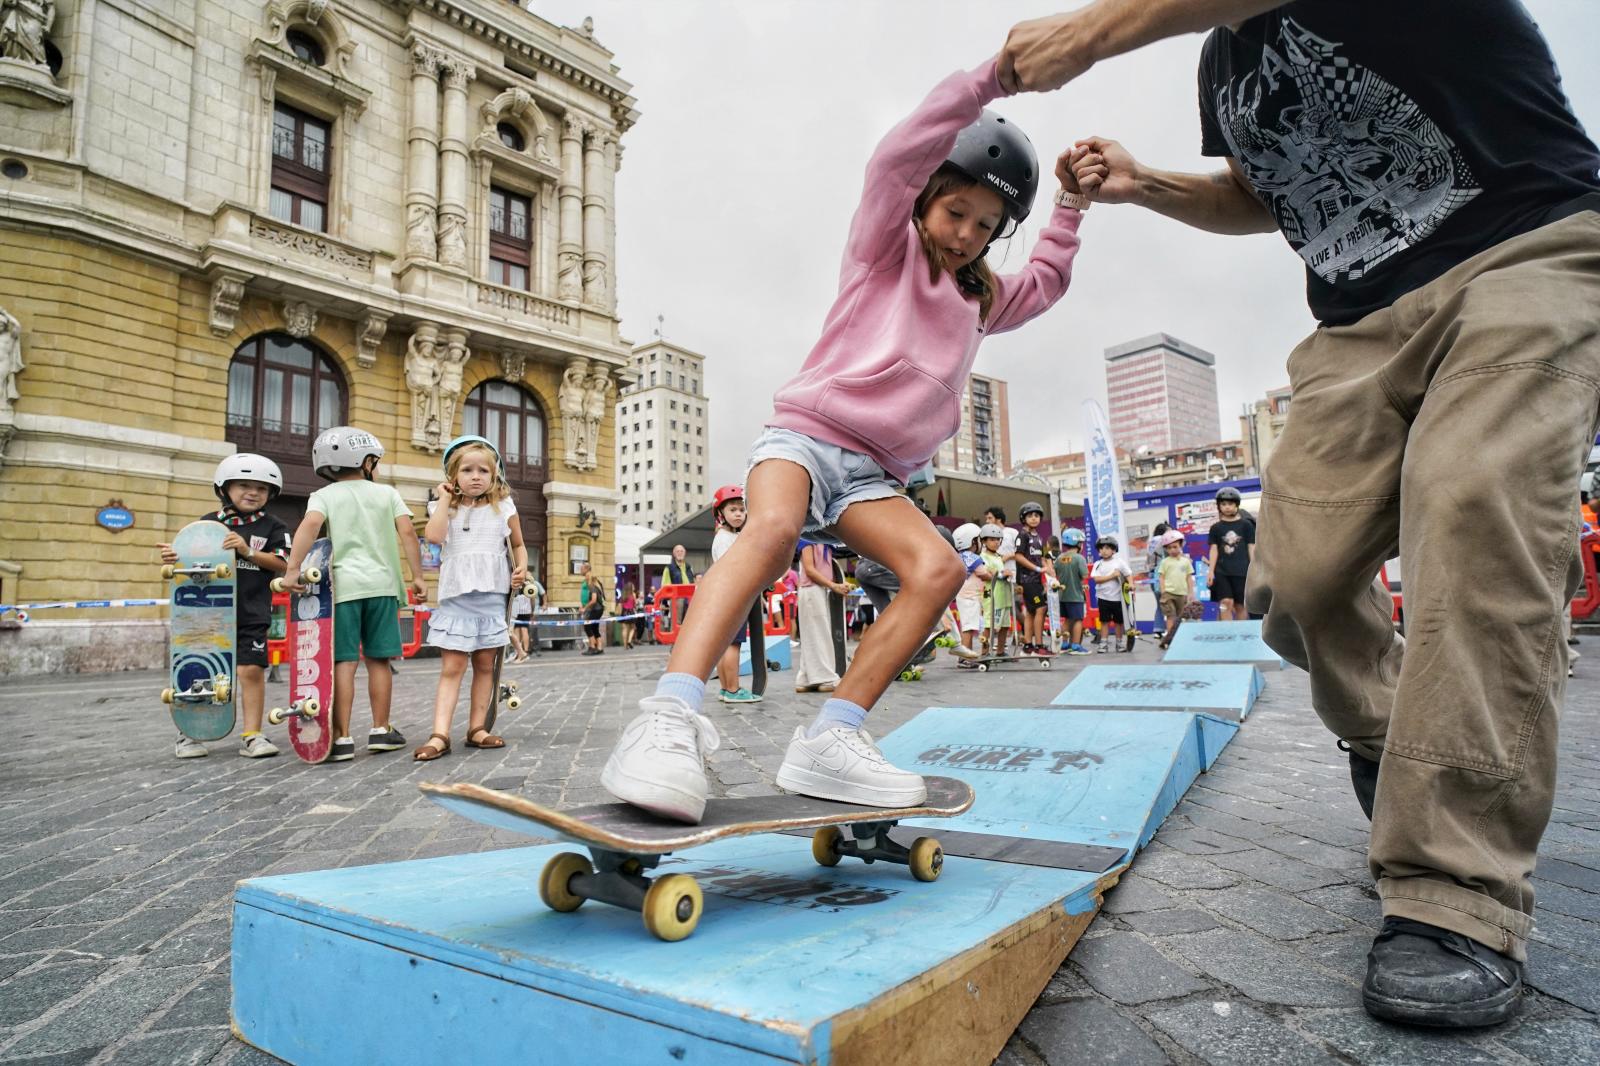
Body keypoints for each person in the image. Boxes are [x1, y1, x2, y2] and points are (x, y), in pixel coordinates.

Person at [1011, 0, 1600, 1026]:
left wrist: (1093, 34)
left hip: (1526, 249)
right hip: (1356, 320)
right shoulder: (1220, 57)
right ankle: (1395, 740)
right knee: (1294, 579)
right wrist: (1143, 182)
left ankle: (1453, 891)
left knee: (1469, 511)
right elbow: (1258, 190)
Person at [600, 51, 1086, 823]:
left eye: (986, 227)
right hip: (805, 436)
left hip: (875, 479)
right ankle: (667, 715)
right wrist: (993, 79)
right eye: (954, 212)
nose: (965, 234)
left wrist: (1069, 209)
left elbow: (1048, 283)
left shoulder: (980, 297)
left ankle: (834, 736)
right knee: (774, 529)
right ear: (926, 199)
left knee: (936, 569)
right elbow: (897, 157)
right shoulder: (883, 247)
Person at [282, 428, 426, 762]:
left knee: (343, 663)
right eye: (375, 462)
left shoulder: (324, 496)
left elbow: (309, 526)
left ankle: (342, 737)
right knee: (379, 660)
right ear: (364, 461)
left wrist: (292, 569)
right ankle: (381, 729)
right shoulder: (387, 494)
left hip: (343, 590)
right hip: (383, 587)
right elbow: (407, 532)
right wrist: (417, 577)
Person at [158, 454, 290, 759]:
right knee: (198, 669)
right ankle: (189, 733)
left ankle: (252, 735)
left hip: (252, 611)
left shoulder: (274, 527)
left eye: (261, 488)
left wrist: (247, 551)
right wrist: (173, 557)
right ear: (225, 488)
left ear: (271, 494)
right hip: (207, 612)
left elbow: (283, 563)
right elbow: (189, 561)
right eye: (244, 485)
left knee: (251, 670)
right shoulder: (208, 524)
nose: (252, 492)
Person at [412, 436, 526, 761]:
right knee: (453, 666)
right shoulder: (443, 509)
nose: (476, 476)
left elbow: (518, 544)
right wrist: (444, 500)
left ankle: (477, 728)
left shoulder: (503, 507)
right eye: (467, 470)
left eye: (483, 471)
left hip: (491, 597)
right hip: (457, 597)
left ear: (494, 476)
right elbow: (433, 538)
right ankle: (439, 734)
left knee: (485, 664)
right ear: (453, 476)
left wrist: (521, 568)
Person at [709, 485, 761, 704]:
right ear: (721, 514)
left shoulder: (727, 536)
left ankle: (724, 688)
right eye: (733, 510)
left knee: (725, 644)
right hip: (733, 597)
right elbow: (732, 570)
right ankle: (733, 689)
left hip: (726, 597)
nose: (738, 513)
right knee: (733, 644)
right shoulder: (725, 539)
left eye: (742, 509)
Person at [792, 540, 845, 694]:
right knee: (819, 634)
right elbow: (809, 569)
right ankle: (825, 676)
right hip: (811, 589)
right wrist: (833, 585)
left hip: (817, 589)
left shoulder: (823, 540)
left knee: (813, 634)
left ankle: (806, 677)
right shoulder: (808, 538)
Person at [1206, 487, 1254, 621]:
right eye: (1223, 504)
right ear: (1219, 506)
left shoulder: (1246, 526)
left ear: (1237, 505)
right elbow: (1214, 549)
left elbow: (1251, 547)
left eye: (1230, 504)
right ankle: (1227, 634)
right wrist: (1210, 571)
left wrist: (1255, 568)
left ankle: (1241, 636)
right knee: (1225, 603)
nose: (1227, 507)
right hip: (1222, 571)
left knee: (1241, 605)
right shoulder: (1215, 528)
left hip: (1242, 571)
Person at [950, 522, 990, 666]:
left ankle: (967, 655)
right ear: (973, 541)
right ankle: (965, 657)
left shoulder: (958, 556)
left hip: (962, 596)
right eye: (979, 540)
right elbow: (983, 574)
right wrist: (995, 575)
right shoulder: (973, 558)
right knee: (969, 627)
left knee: (969, 625)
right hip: (971, 597)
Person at [1014, 502, 1049, 653]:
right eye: (1030, 516)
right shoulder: (1022, 535)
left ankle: (1028, 645)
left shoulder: (1039, 537)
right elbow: (1018, 556)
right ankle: (1039, 646)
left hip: (1037, 580)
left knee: (1031, 611)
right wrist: (1037, 568)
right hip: (1027, 580)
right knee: (1041, 608)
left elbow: (1040, 558)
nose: (1034, 518)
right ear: (1023, 518)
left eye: (1036, 515)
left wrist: (1049, 573)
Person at [1089, 535, 1132, 653]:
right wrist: (1112, 576)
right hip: (1103, 598)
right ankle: (1103, 643)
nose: (1104, 550)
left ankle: (1119, 643)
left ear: (1113, 550)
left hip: (1118, 599)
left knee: (1119, 622)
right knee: (1104, 622)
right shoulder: (1098, 564)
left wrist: (1131, 584)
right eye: (1101, 548)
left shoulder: (1119, 562)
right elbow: (1097, 579)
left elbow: (1128, 574)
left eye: (1108, 548)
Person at [1155, 530, 1196, 650]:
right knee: (1170, 616)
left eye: (1175, 546)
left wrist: (1190, 592)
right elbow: (1161, 577)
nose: (1172, 550)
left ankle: (1181, 638)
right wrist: (1163, 591)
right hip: (1168, 593)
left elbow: (1189, 577)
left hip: (1182, 593)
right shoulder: (1165, 562)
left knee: (1181, 616)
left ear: (1181, 545)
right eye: (1168, 548)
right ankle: (1170, 638)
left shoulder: (1186, 561)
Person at [977, 523, 1012, 658]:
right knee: (989, 625)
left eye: (998, 539)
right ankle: (985, 653)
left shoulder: (998, 556)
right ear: (984, 541)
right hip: (992, 596)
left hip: (1004, 595)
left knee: (1004, 625)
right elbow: (988, 572)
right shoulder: (983, 557)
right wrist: (1003, 574)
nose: (996, 542)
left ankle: (1000, 651)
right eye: (992, 539)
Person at [1054, 527, 1090, 654]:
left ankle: (1064, 644)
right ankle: (1075, 645)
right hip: (1075, 595)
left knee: (1067, 620)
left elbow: (1055, 573)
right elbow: (1085, 575)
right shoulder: (1079, 558)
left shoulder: (1059, 558)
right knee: (1078, 620)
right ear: (1078, 543)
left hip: (1062, 595)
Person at [579, 564, 607, 655]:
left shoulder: (591, 585)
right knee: (594, 628)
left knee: (587, 626)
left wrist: (585, 608)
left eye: (586, 577)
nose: (585, 580)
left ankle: (592, 647)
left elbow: (594, 600)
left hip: (596, 609)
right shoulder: (594, 584)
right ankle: (599, 648)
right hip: (597, 609)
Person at [618, 582, 638, 650]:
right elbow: (635, 605)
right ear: (631, 588)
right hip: (631, 612)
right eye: (633, 586)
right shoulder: (633, 595)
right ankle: (629, 641)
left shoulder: (623, 595)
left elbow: (620, 605)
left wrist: (620, 614)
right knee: (633, 628)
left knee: (624, 629)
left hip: (624, 612)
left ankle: (625, 646)